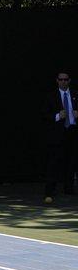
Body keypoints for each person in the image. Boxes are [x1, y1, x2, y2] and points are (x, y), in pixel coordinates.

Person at [43, 72, 77, 201]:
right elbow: (44, 115)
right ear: (57, 81)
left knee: (72, 160)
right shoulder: (51, 96)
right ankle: (50, 189)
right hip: (58, 132)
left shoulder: (75, 95)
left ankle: (69, 188)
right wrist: (57, 116)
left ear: (69, 81)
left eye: (66, 79)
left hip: (72, 131)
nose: (63, 81)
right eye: (61, 79)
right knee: (54, 161)